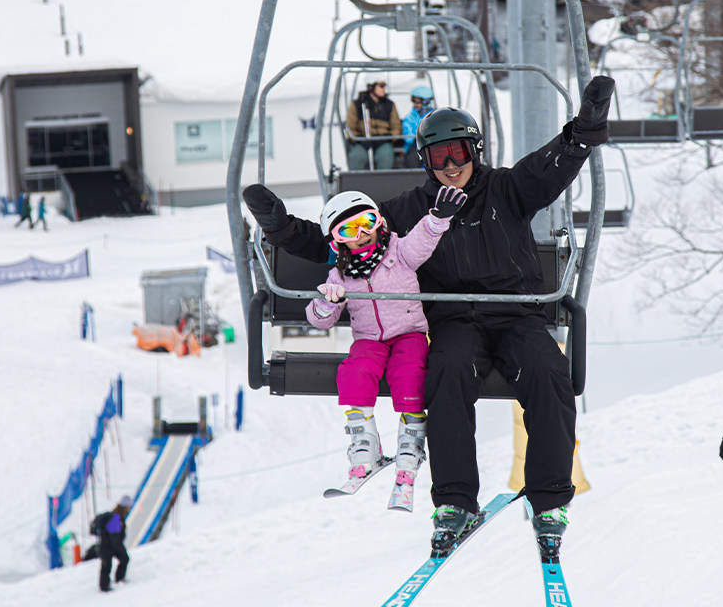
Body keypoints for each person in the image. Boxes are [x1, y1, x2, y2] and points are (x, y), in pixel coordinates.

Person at [243, 75, 615, 558]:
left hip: (516, 314)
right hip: (453, 320)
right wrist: (280, 227)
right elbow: (344, 239)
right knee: (445, 372)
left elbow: (550, 169)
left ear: (475, 151)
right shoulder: (408, 211)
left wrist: (583, 132)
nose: (451, 165)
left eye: (459, 152)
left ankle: (549, 501)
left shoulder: (507, 189)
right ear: (425, 160)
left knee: (548, 372)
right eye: (439, 157)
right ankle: (456, 502)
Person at [301, 186, 466, 509]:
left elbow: (421, 241)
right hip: (369, 339)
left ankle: (409, 452)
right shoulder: (339, 276)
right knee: (354, 372)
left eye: (367, 222)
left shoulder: (399, 252)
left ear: (379, 223)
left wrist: (436, 220)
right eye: (348, 230)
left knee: (410, 374)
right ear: (337, 241)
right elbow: (321, 321)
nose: (361, 233)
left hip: (409, 333)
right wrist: (326, 302)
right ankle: (365, 448)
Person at [345, 80, 402, 171]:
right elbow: (350, 127)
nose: (384, 89)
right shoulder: (358, 104)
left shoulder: (389, 105)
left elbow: (396, 126)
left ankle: (383, 179)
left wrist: (389, 137)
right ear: (371, 87)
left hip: (383, 141)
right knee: (357, 157)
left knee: (385, 156)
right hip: (363, 140)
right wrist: (359, 139)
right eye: (381, 86)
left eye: (385, 86)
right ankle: (357, 179)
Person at [91, 495, 132, 592]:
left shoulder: (117, 516)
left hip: (108, 545)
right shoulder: (116, 518)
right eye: (129, 506)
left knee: (120, 560)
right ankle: (104, 587)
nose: (129, 508)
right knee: (107, 565)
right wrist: (119, 548)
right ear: (125, 506)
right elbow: (114, 537)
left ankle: (117, 579)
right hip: (108, 546)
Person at [400, 85, 436, 168]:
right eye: (413, 101)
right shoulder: (409, 117)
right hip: (414, 147)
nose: (415, 104)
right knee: (414, 156)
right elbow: (408, 137)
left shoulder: (434, 116)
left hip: (431, 145)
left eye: (417, 102)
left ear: (426, 102)